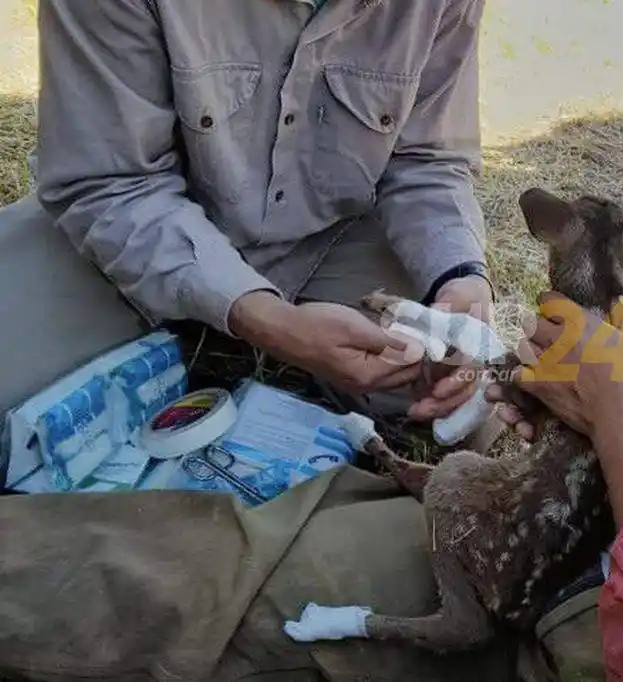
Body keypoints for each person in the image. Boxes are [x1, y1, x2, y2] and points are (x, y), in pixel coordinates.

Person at [4, 1, 623, 681]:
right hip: (565, 519)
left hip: (584, 605)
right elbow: (107, 186)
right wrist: (549, 386)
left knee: (171, 573)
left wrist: (618, 421)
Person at [0, 0, 495, 435]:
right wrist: (268, 319)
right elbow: (111, 184)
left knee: (458, 398)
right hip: (123, 247)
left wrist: (457, 275)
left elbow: (427, 158)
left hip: (330, 240)